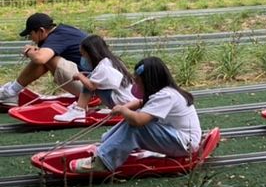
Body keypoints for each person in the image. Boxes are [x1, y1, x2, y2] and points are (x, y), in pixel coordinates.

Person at [70, 56, 202, 173]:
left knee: (137, 125)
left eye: (139, 82)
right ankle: (106, 145)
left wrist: (123, 111)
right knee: (132, 118)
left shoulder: (166, 96)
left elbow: (139, 121)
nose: (137, 85)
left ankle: (103, 161)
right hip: (179, 138)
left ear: (148, 81)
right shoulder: (164, 92)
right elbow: (140, 102)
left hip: (184, 144)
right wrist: (124, 107)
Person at [0, 13, 87, 106]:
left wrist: (29, 51)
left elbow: (40, 59)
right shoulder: (63, 31)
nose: (31, 39)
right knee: (44, 55)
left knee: (46, 58)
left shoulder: (56, 37)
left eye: (30, 34)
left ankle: (11, 91)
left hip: (90, 89)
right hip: (92, 83)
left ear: (41, 31)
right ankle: (12, 90)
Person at [54, 35, 136, 122]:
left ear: (91, 53)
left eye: (83, 55)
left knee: (89, 82)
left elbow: (91, 86)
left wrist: (80, 76)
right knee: (90, 78)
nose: (83, 58)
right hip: (130, 100)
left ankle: (79, 110)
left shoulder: (103, 67)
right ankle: (81, 106)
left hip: (122, 102)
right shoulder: (112, 61)